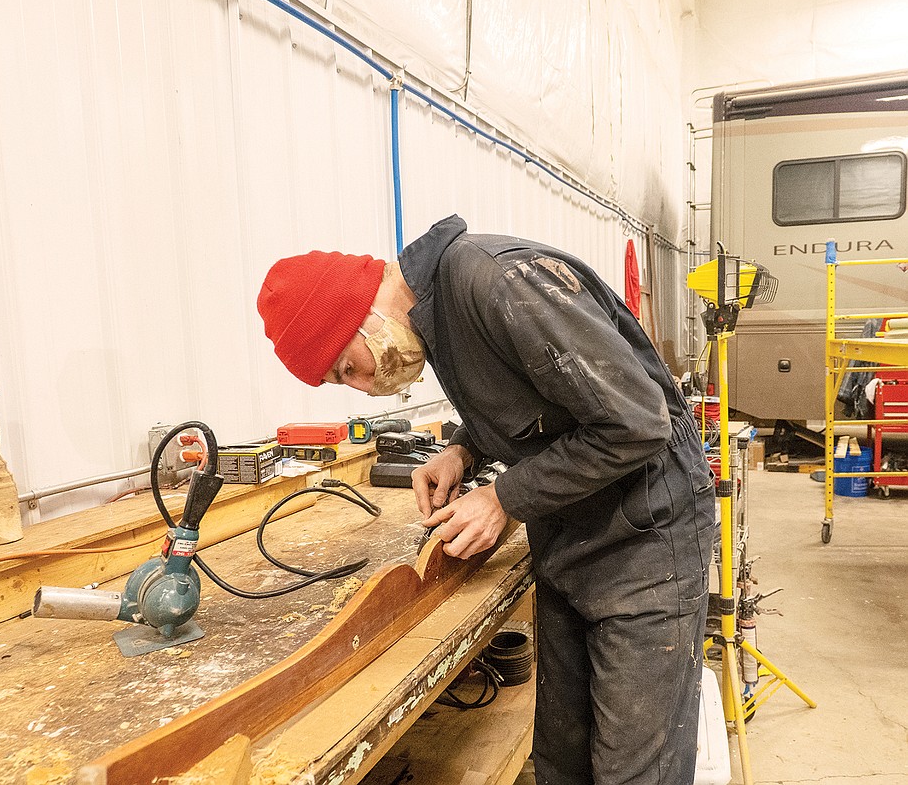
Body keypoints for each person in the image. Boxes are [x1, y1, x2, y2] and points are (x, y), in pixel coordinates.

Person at [256, 214, 716, 785]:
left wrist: (503, 498)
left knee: (633, 774)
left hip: (648, 544)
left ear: (364, 312)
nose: (361, 387)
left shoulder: (498, 284)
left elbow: (637, 423)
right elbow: (536, 395)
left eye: (349, 367)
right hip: (573, 540)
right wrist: (463, 452)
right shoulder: (436, 320)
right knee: (562, 766)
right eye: (340, 381)